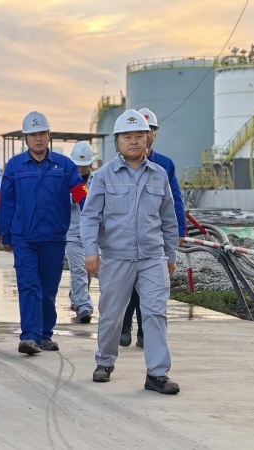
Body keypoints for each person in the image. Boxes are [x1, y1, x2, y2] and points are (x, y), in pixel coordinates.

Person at [81, 109, 180, 395]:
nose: (134, 141)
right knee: (111, 314)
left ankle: (157, 374)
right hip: (116, 257)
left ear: (148, 139)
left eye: (139, 136)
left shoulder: (159, 175)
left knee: (155, 313)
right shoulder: (104, 176)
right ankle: (104, 362)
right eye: (127, 136)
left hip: (152, 257)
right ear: (118, 141)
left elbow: (168, 218)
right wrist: (91, 251)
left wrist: (171, 255)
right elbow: (90, 216)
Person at [0, 111, 88, 355]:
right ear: (26, 138)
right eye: (33, 135)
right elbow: (6, 202)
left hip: (54, 237)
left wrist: (91, 210)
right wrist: (5, 234)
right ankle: (29, 336)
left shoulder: (64, 165)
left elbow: (79, 190)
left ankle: (45, 334)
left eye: (42, 134)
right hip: (24, 238)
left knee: (48, 289)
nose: (38, 139)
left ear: (49, 135)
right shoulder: (15, 166)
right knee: (29, 285)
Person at [119, 107, 186, 348]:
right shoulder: (118, 165)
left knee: (150, 289)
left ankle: (144, 333)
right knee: (128, 287)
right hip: (126, 237)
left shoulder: (164, 165)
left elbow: (174, 200)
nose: (143, 137)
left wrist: (179, 231)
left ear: (152, 135)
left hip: (153, 235)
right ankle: (124, 326)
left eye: (149, 131)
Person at [65, 142, 95, 324]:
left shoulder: (97, 180)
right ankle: (84, 306)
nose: (81, 168)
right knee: (79, 270)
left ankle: (76, 296)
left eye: (85, 164)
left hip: (92, 234)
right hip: (73, 232)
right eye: (78, 165)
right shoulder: (66, 180)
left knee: (89, 270)